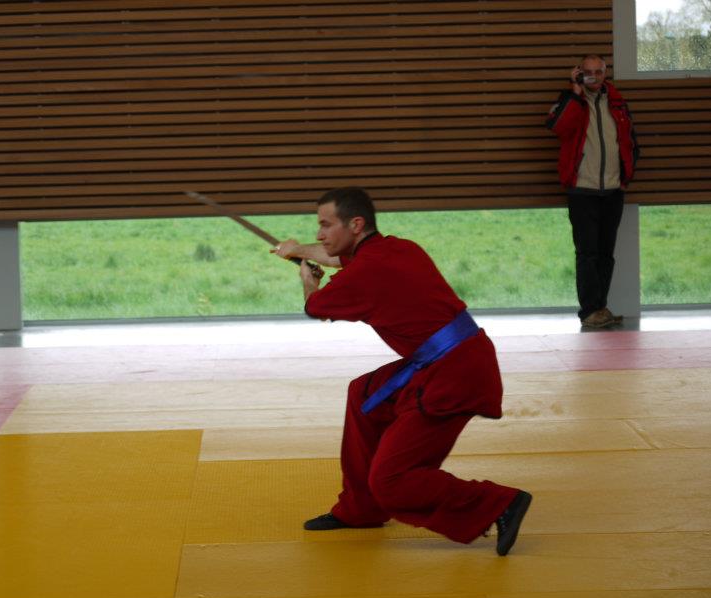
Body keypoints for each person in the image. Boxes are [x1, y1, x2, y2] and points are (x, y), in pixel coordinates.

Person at [273, 187, 532, 556]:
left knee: (391, 481)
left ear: (356, 224)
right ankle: (361, 509)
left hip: (454, 375)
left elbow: (317, 306)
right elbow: (333, 257)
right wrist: (297, 250)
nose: (320, 234)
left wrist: (308, 280)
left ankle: (498, 504)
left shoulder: (366, 272)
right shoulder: (397, 248)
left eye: (326, 225)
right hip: (448, 359)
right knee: (364, 396)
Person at [547, 54, 639, 329]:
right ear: (579, 74)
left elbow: (630, 140)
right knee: (587, 254)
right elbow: (558, 128)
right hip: (582, 191)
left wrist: (626, 176)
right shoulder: (570, 100)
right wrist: (575, 93)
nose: (594, 76)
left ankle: (601, 307)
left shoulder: (617, 103)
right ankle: (589, 311)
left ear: (605, 72)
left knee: (605, 253)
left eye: (598, 71)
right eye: (587, 72)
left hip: (612, 190)